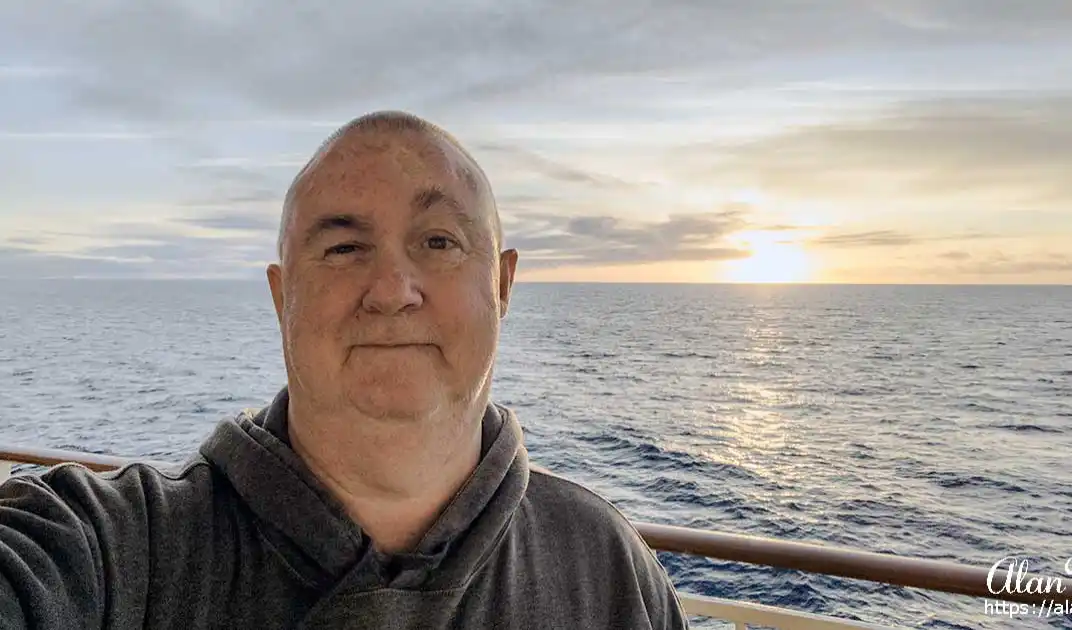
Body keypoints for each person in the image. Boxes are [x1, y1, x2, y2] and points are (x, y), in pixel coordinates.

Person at [0, 111, 690, 629]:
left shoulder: (606, 567)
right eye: (343, 247)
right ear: (281, 296)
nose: (392, 289)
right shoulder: (117, 551)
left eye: (440, 241)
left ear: (503, 286)